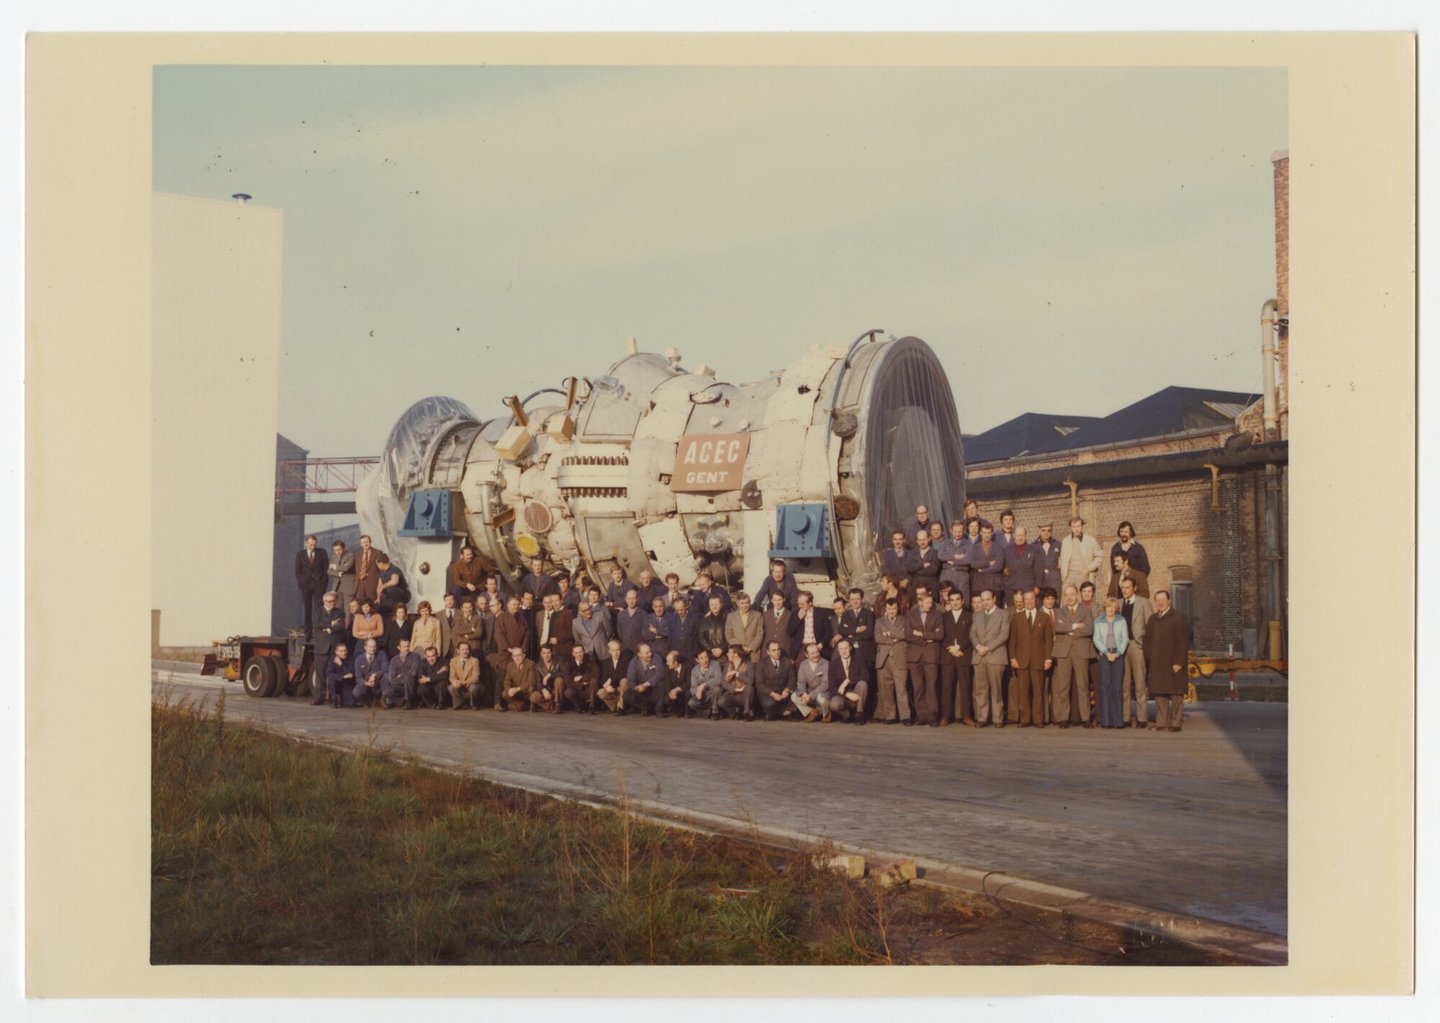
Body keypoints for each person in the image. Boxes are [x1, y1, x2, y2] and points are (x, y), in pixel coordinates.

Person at [1051, 584, 1096, 728]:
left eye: (1072, 594)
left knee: (1083, 685)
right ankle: (1064, 717)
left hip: (1081, 651)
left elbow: (1089, 629)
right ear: (1064, 596)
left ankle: (1085, 717)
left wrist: (1068, 629)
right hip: (1063, 652)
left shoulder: (1086, 611)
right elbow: (1057, 627)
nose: (1070, 597)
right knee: (1063, 686)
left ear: (1077, 594)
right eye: (1067, 595)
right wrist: (1076, 626)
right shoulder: (1059, 611)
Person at [1007, 590, 1052, 727]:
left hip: (1039, 659)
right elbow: (1012, 640)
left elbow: (1048, 640)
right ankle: (1025, 719)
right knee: (1023, 691)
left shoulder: (1044, 617)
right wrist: (1013, 657)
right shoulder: (1016, 617)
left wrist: (1048, 659)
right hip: (1022, 660)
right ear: (1023, 601)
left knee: (1038, 691)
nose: (1029, 601)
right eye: (1026, 599)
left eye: (1031, 599)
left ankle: (1038, 719)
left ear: (1036, 600)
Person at [1146, 590, 1190, 732]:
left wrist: (1179, 662)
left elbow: (1183, 642)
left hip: (1173, 661)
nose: (1160, 602)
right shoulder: (1152, 619)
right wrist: (1149, 657)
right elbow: (1147, 640)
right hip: (1157, 662)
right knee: (1159, 693)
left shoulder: (1179, 618)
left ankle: (1176, 723)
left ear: (1169, 600)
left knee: (1176, 693)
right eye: (1157, 600)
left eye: (1163, 599)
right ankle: (1162, 721)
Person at [969, 589, 1009, 728]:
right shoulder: (977, 615)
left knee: (996, 689)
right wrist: (978, 646)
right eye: (983, 600)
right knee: (981, 690)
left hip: (995, 656)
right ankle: (982, 717)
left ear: (994, 599)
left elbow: (1004, 635)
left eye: (987, 599)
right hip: (979, 656)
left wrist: (988, 647)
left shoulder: (1003, 614)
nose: (985, 602)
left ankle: (998, 718)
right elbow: (972, 634)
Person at [904, 589, 944, 726]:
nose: (930, 605)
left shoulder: (937, 615)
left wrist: (920, 634)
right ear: (920, 603)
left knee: (931, 686)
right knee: (918, 687)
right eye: (927, 603)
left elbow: (939, 635)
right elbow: (908, 635)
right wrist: (927, 638)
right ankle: (922, 716)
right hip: (914, 657)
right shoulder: (910, 615)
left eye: (931, 602)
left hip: (931, 656)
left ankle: (933, 716)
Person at [1118, 577, 1153, 728]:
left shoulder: (1143, 602)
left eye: (1127, 587)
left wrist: (1145, 645)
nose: (1125, 590)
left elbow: (1151, 626)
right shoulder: (1118, 604)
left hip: (1136, 646)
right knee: (1124, 685)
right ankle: (1125, 717)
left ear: (1134, 588)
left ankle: (1142, 718)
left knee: (1139, 684)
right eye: (1123, 588)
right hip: (1121, 647)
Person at [1091, 597, 1129, 728]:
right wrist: (1107, 653)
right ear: (1104, 608)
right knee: (1105, 687)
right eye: (1108, 607)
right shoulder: (1098, 621)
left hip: (1118, 655)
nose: (1110, 609)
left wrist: (1117, 653)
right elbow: (1096, 639)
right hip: (1104, 655)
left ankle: (1118, 721)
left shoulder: (1121, 620)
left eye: (1113, 607)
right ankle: (1106, 720)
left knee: (1117, 687)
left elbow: (1125, 639)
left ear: (1116, 608)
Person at [873, 598, 911, 725]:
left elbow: (906, 634)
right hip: (883, 659)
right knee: (886, 689)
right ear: (885, 609)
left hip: (900, 657)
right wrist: (893, 640)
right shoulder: (879, 621)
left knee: (901, 689)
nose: (892, 611)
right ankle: (890, 716)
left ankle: (905, 716)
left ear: (898, 608)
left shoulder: (904, 620)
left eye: (894, 608)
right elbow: (877, 637)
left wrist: (890, 634)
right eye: (889, 609)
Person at [939, 589, 974, 726]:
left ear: (962, 600)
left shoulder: (969, 616)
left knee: (965, 687)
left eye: (957, 599)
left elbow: (971, 635)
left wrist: (959, 647)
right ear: (948, 601)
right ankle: (946, 716)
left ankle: (966, 716)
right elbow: (942, 635)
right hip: (948, 655)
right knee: (946, 687)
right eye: (952, 600)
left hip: (963, 654)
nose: (955, 602)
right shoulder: (944, 616)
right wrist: (952, 649)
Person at [311, 591, 348, 705]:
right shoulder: (317, 612)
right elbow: (316, 624)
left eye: (333, 601)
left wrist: (328, 628)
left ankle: (334, 699)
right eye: (329, 601)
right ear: (324, 601)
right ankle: (319, 698)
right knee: (320, 674)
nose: (332, 603)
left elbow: (341, 626)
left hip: (333, 648)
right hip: (321, 648)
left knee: (333, 674)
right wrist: (331, 624)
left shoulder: (340, 612)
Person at [828, 638, 870, 724]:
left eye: (846, 648)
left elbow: (866, 677)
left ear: (850, 648)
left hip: (857, 693)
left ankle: (859, 714)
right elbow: (832, 688)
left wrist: (848, 680)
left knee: (862, 684)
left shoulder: (859, 660)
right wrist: (847, 694)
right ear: (838, 650)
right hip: (843, 696)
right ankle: (847, 715)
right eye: (841, 649)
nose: (844, 651)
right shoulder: (833, 665)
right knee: (834, 704)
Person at [1058, 516, 1104, 594]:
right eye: (1073, 527)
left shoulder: (1090, 540)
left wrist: (1089, 568)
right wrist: (1063, 571)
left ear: (1082, 526)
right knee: (1067, 598)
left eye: (1078, 526)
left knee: (1083, 600)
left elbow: (1100, 556)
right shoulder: (1065, 541)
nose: (1076, 529)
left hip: (1083, 575)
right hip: (1068, 576)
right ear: (1070, 527)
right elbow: (1062, 558)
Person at [293, 534, 329, 635]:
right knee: (307, 608)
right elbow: (297, 571)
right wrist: (301, 583)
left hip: (319, 585)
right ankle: (308, 632)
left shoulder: (322, 552)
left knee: (319, 607)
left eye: (314, 544)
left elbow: (326, 568)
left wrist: (323, 583)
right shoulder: (300, 554)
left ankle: (319, 630)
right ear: (306, 543)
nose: (313, 546)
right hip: (306, 586)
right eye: (311, 544)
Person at [490, 596, 531, 683]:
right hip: (506, 653)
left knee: (518, 679)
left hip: (519, 653)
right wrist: (509, 648)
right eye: (513, 604)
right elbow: (499, 635)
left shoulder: (522, 618)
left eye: (517, 604)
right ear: (508, 605)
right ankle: (497, 697)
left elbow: (527, 633)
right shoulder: (501, 618)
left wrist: (522, 649)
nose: (516, 606)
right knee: (501, 680)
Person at [755, 640, 797, 721]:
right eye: (774, 650)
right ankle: (773, 713)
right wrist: (772, 694)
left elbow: (792, 678)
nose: (777, 652)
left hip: (784, 693)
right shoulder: (762, 664)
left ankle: (785, 712)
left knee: (797, 693)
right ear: (768, 652)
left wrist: (787, 689)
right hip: (769, 694)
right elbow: (759, 684)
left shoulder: (787, 662)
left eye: (778, 649)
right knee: (769, 703)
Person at [792, 642, 833, 721]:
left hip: (823, 692)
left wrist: (810, 695)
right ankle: (812, 712)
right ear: (806, 655)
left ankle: (826, 713)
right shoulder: (803, 664)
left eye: (817, 652)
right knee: (794, 696)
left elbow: (825, 684)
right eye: (812, 653)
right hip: (809, 692)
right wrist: (803, 694)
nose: (816, 655)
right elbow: (801, 682)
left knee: (822, 699)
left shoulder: (826, 664)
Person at [622, 643, 665, 716]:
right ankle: (645, 708)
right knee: (627, 696)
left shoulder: (657, 658)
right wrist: (636, 688)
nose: (650, 654)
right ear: (639, 654)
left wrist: (645, 685)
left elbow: (660, 674)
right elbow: (630, 679)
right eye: (646, 653)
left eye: (650, 651)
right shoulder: (634, 662)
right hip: (641, 689)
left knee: (661, 683)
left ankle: (659, 710)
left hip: (654, 687)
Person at [938, 519, 974, 602]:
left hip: (962, 575)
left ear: (964, 531)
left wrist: (953, 561)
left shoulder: (968, 544)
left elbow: (968, 559)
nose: (957, 534)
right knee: (945, 599)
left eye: (960, 531)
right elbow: (940, 555)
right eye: (955, 531)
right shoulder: (945, 543)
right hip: (947, 573)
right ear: (951, 530)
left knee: (962, 598)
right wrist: (955, 556)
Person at [971, 525, 1006, 608]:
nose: (986, 535)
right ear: (980, 533)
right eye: (984, 533)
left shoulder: (998, 547)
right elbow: (973, 563)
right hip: (979, 584)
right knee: (980, 611)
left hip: (994, 584)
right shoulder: (975, 547)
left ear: (992, 533)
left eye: (988, 532)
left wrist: (983, 570)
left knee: (996, 610)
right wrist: (988, 563)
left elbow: (999, 566)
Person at [1002, 525, 1038, 606]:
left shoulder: (1032, 549)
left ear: (1026, 536)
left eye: (1022, 535)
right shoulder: (1006, 550)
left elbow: (1037, 569)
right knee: (1012, 611)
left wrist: (1037, 585)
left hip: (1028, 587)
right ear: (1014, 536)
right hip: (1011, 587)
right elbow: (1001, 566)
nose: (1020, 538)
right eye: (1018, 535)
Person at [790, 591, 832, 661]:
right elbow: (790, 631)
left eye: (802, 604)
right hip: (802, 648)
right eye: (799, 604)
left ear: (810, 603)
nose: (800, 606)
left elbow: (828, 632)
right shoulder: (795, 613)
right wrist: (798, 619)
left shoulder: (822, 613)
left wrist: (821, 644)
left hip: (817, 646)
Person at [572, 598, 615, 664]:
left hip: (603, 652)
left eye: (589, 608)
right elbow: (578, 639)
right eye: (585, 610)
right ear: (580, 612)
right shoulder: (575, 622)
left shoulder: (600, 615)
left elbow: (609, 631)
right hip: (588, 654)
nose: (588, 611)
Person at [724, 593, 765, 663]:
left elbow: (760, 633)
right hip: (737, 652)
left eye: (747, 603)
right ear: (737, 603)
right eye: (742, 603)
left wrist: (750, 647)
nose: (745, 605)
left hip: (753, 653)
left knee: (753, 672)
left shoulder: (757, 615)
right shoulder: (731, 616)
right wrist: (740, 647)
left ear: (750, 603)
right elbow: (729, 635)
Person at [717, 646, 755, 720]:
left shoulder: (749, 664)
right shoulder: (727, 664)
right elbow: (723, 682)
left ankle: (746, 713)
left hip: (745, 695)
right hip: (733, 693)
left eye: (729, 652)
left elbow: (750, 681)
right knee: (721, 702)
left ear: (736, 654)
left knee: (749, 688)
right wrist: (735, 689)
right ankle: (735, 712)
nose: (727, 654)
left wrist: (736, 673)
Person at [498, 646, 539, 712]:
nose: (517, 658)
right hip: (517, 693)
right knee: (505, 693)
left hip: (526, 692)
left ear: (524, 655)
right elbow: (506, 681)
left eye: (519, 655)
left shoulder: (530, 664)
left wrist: (517, 689)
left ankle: (532, 705)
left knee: (531, 688)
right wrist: (510, 689)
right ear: (512, 657)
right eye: (514, 656)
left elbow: (532, 681)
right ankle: (522, 705)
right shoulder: (510, 665)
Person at [596, 639, 631, 714]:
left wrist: (610, 680)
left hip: (622, 688)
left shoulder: (625, 660)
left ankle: (621, 705)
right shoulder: (605, 663)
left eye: (617, 650)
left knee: (624, 680)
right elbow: (602, 680)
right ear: (609, 651)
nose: (616, 653)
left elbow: (624, 673)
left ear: (620, 650)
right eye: (613, 650)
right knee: (600, 692)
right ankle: (616, 706)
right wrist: (606, 686)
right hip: (612, 690)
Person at [383, 638, 420, 709]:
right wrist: (403, 678)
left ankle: (407, 702)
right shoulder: (394, 660)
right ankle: (404, 700)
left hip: (411, 686)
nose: (406, 648)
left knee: (408, 678)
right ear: (398, 647)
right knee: (386, 692)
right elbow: (392, 679)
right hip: (399, 687)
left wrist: (401, 675)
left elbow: (413, 672)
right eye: (404, 647)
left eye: (408, 646)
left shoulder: (415, 657)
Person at [641, 594, 680, 662]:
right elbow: (645, 634)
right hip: (651, 653)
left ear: (664, 606)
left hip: (666, 653)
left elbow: (670, 632)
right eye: (656, 607)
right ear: (653, 607)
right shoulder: (648, 618)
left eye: (660, 606)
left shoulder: (671, 617)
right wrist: (657, 636)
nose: (658, 609)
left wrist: (655, 630)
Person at [688, 648, 725, 718]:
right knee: (691, 703)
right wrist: (697, 692)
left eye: (706, 657)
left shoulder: (716, 664)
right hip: (704, 696)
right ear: (697, 660)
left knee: (717, 689)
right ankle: (707, 711)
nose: (705, 660)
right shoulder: (694, 670)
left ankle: (715, 712)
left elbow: (719, 679)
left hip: (714, 694)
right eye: (701, 658)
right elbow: (692, 687)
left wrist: (704, 684)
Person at [562, 643, 599, 713]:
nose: (578, 655)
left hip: (590, 689)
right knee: (568, 692)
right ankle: (579, 706)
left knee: (594, 680)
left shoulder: (590, 659)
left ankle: (592, 705)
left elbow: (596, 673)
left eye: (580, 652)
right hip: (577, 690)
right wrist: (582, 684)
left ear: (584, 651)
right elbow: (568, 683)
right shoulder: (568, 664)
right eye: (576, 653)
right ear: (572, 653)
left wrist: (582, 677)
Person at [536, 592, 574, 659]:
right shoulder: (553, 614)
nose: (555, 603)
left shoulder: (568, 613)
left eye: (557, 600)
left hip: (564, 649)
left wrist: (558, 639)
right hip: (554, 650)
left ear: (561, 600)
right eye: (553, 601)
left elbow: (571, 632)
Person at [904, 529, 941, 597]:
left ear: (929, 539)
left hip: (931, 586)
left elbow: (933, 571)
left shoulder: (935, 553)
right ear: (917, 541)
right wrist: (922, 565)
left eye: (924, 539)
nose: (922, 542)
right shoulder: (913, 553)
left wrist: (915, 571)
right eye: (920, 540)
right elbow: (908, 568)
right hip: (916, 586)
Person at [353, 638, 387, 707]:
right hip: (366, 682)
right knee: (356, 692)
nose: (373, 649)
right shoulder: (359, 658)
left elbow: (385, 668)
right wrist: (366, 683)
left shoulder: (381, 654)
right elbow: (358, 677)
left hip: (378, 682)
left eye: (374, 646)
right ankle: (366, 700)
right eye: (370, 647)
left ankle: (383, 698)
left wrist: (375, 675)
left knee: (386, 675)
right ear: (365, 647)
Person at [447, 641, 481, 710]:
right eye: (463, 649)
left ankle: (473, 705)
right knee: (451, 687)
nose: (465, 651)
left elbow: (475, 678)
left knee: (473, 688)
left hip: (470, 685)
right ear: (458, 651)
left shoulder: (475, 661)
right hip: (459, 686)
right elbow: (452, 676)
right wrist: (454, 682)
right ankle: (459, 704)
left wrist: (462, 682)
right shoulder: (453, 660)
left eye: (467, 649)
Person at [354, 534, 385, 605]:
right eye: (363, 542)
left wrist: (380, 584)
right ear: (360, 544)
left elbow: (381, 570)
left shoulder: (378, 553)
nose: (365, 544)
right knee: (360, 604)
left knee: (373, 604)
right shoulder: (357, 554)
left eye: (367, 541)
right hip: (360, 584)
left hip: (373, 583)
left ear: (370, 542)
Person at [327, 540, 358, 613]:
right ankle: (339, 624)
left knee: (348, 608)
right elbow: (328, 571)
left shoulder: (351, 555)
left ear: (344, 548)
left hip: (348, 586)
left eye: (339, 549)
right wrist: (338, 574)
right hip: (337, 587)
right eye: (335, 550)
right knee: (338, 608)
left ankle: (348, 624)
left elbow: (347, 568)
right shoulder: (334, 557)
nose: (337, 552)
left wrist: (334, 567)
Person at [614, 588, 647, 655]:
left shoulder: (643, 614)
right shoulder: (621, 615)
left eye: (633, 598)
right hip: (626, 649)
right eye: (629, 599)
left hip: (640, 650)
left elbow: (646, 633)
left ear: (637, 599)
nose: (631, 601)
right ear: (625, 599)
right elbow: (620, 632)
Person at [1034, 523, 1063, 599]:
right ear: (1039, 531)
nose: (1046, 533)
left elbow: (1063, 560)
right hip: (1040, 582)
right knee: (1040, 606)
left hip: (1054, 581)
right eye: (1043, 530)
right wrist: (1035, 584)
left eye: (1049, 530)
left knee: (1055, 604)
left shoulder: (1057, 544)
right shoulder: (1033, 546)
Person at [415, 645, 449, 709]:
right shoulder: (422, 662)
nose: (431, 659)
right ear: (425, 656)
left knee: (443, 682)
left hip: (440, 688)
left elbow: (445, 675)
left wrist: (428, 678)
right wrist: (437, 674)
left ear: (437, 655)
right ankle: (430, 704)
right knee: (421, 689)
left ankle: (440, 704)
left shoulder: (443, 661)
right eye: (428, 656)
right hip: (429, 687)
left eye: (433, 656)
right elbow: (421, 679)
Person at [697, 594, 729, 662]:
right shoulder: (704, 621)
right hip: (710, 657)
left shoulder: (728, 619)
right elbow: (701, 638)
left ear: (721, 604)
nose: (714, 607)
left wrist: (721, 649)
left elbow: (731, 636)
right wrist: (711, 649)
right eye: (712, 604)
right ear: (709, 605)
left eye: (716, 604)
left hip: (726, 656)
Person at [325, 642, 356, 709]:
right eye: (341, 651)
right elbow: (329, 674)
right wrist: (342, 677)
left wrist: (341, 664)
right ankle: (333, 700)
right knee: (331, 681)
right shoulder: (332, 659)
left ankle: (341, 699)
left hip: (347, 683)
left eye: (345, 650)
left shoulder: (351, 659)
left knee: (351, 704)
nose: (344, 653)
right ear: (336, 652)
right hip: (337, 682)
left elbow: (351, 672)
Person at [658, 650, 689, 718]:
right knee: (667, 699)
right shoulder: (668, 669)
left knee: (687, 693)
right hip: (675, 693)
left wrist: (678, 689)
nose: (667, 663)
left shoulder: (687, 667)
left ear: (675, 662)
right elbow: (667, 684)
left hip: (684, 691)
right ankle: (677, 712)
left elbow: (689, 683)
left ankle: (687, 712)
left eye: (669, 662)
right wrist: (670, 692)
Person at [532, 647, 563, 713]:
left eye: (548, 653)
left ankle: (557, 705)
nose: (546, 655)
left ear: (552, 653)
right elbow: (538, 682)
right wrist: (543, 690)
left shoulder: (559, 661)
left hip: (557, 690)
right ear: (541, 654)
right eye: (544, 653)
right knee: (533, 697)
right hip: (546, 690)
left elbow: (564, 673)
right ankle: (550, 706)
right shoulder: (538, 665)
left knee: (559, 680)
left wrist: (549, 675)